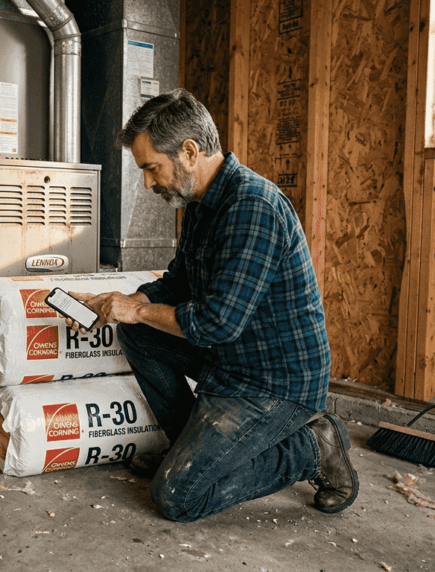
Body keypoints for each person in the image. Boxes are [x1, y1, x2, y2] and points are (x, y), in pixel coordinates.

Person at [65, 89, 358, 523]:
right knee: (135, 331)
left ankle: (313, 447)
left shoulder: (252, 207)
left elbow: (215, 324)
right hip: (234, 359)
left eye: (151, 168)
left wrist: (139, 310)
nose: (148, 183)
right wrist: (130, 303)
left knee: (178, 498)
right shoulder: (201, 204)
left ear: (188, 152)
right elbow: (179, 282)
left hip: (274, 380)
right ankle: (188, 447)